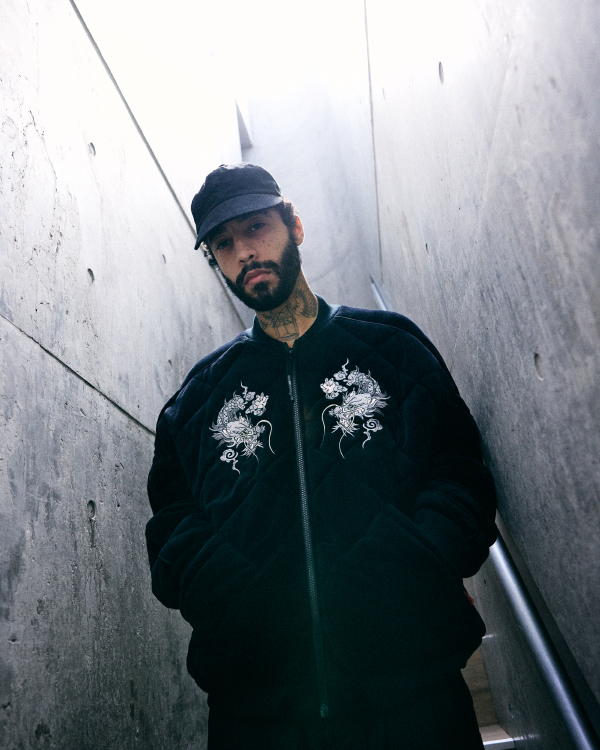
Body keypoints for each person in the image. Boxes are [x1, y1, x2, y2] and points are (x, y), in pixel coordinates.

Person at [145, 163, 498, 749]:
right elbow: (172, 525)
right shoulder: (199, 398)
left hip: (412, 691)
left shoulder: (392, 347)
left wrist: (406, 565)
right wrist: (235, 597)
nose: (243, 252)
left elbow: (459, 473)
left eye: (255, 227)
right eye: (223, 244)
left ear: (295, 226)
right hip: (258, 712)